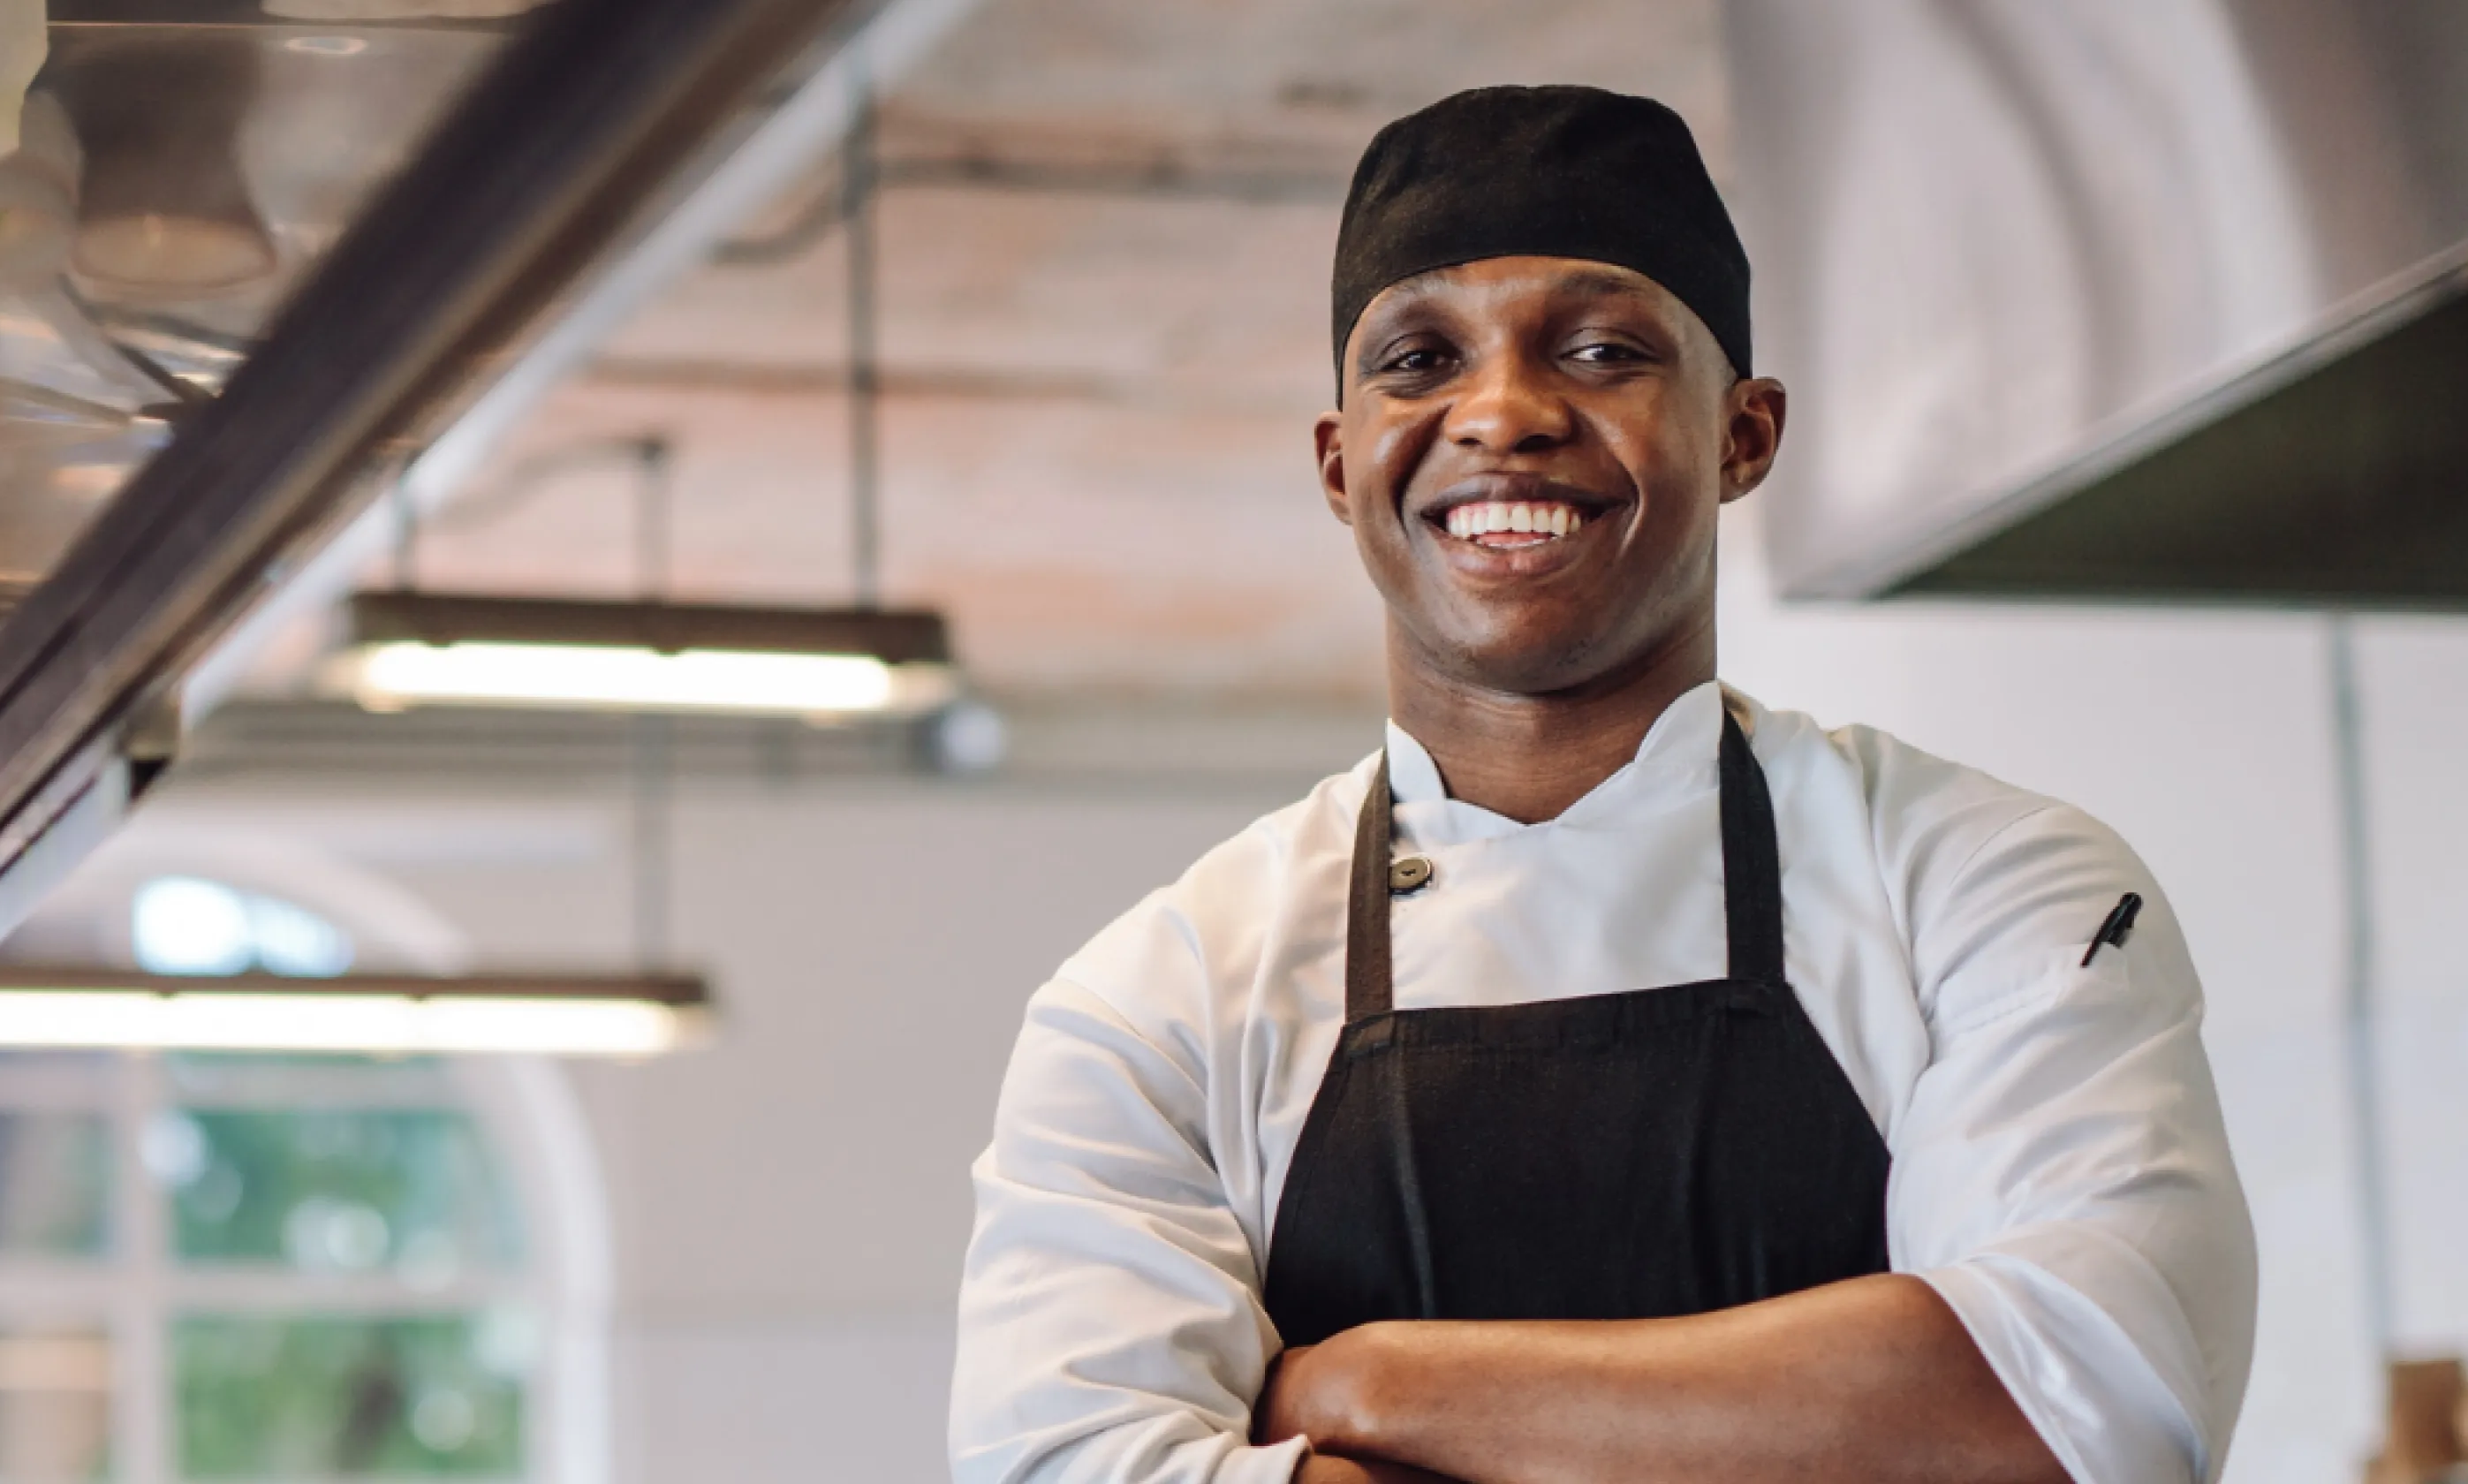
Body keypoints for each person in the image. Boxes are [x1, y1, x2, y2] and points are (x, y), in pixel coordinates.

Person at [950, 87, 2254, 1484]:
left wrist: (1375, 1381)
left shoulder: (1983, 884)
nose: (1503, 413)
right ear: (1341, 466)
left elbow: (2075, 1412)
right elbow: (1065, 1467)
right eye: (1418, 359)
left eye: (1601, 349)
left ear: (1745, 434)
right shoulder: (1164, 1001)